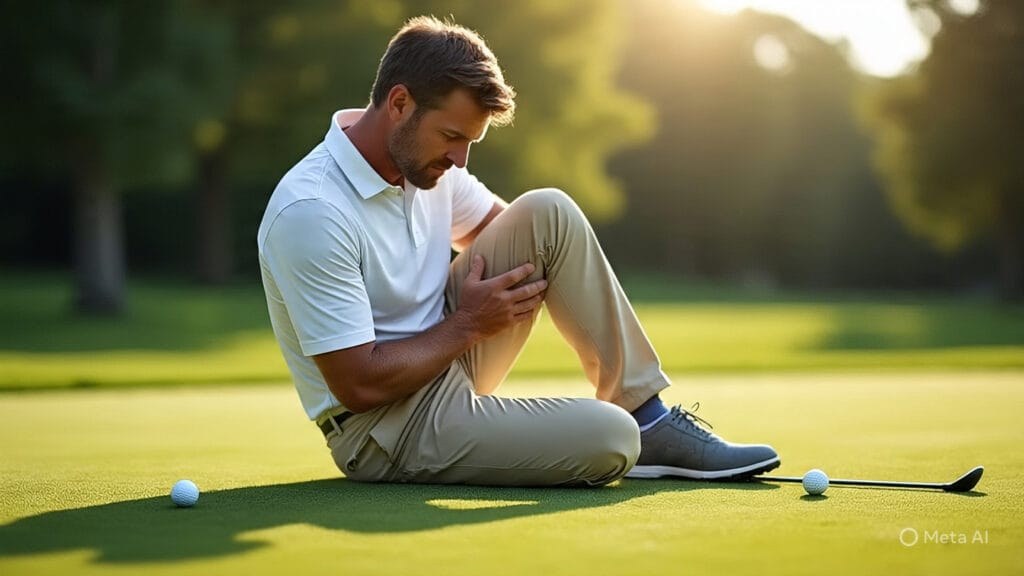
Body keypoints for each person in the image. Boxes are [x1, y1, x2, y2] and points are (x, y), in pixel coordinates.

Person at [257, 16, 779, 487]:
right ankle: (633, 430)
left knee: (548, 209)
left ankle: (648, 415)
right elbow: (359, 385)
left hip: (450, 351)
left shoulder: (425, 164)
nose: (459, 161)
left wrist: (477, 319)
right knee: (611, 439)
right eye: (451, 137)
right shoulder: (312, 209)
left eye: (471, 143)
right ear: (399, 104)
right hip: (383, 427)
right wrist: (467, 324)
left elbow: (541, 243)